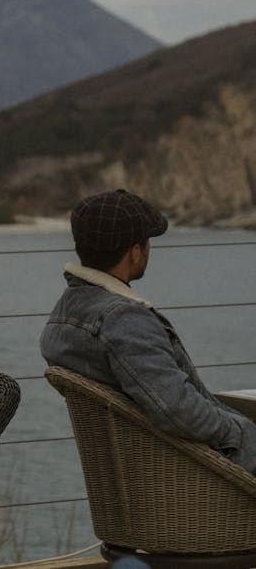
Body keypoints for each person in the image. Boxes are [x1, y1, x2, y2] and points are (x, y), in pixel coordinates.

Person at [40, 188, 256, 474]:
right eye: (148, 243)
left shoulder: (66, 312)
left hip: (137, 469)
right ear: (135, 252)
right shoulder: (123, 319)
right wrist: (242, 431)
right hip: (195, 478)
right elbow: (178, 409)